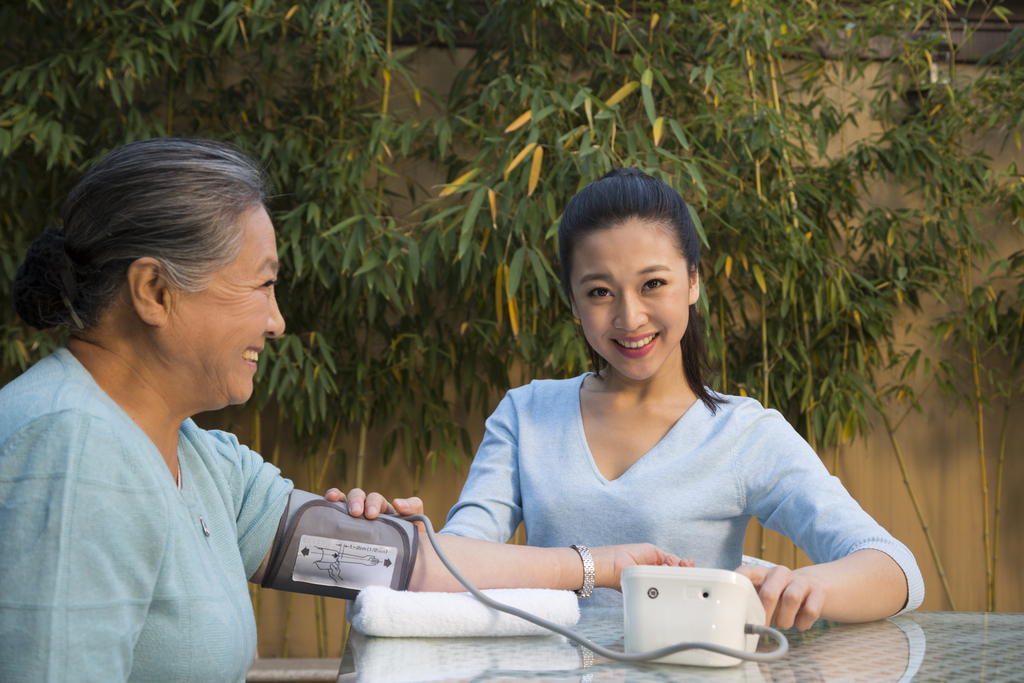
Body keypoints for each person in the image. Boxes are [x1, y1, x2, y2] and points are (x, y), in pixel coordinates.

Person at [0, 142, 687, 682]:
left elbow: (401, 563)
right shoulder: (71, 450)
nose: (277, 321)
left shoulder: (195, 456)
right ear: (154, 290)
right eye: (262, 284)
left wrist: (603, 563)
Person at [337, 168, 925, 631]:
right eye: (599, 291)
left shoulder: (745, 433)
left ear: (693, 281)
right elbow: (463, 560)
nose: (629, 317)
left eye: (653, 284)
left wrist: (810, 587)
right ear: (572, 301)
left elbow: (895, 568)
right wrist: (412, 540)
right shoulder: (526, 413)